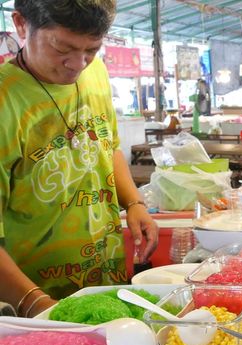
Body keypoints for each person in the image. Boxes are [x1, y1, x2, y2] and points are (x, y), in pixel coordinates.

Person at [0, 0, 158, 317]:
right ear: (21, 24)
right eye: (62, 47)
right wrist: (37, 304)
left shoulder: (95, 72)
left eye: (92, 49)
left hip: (105, 278)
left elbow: (107, 144)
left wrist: (134, 203)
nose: (78, 64)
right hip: (34, 297)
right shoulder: (6, 99)